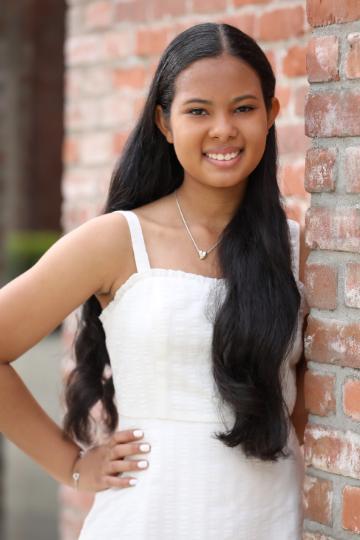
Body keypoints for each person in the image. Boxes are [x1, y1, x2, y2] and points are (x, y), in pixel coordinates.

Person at [0, 22, 310, 540]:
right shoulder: (117, 240)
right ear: (164, 123)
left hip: (267, 521)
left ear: (272, 115)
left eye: (243, 108)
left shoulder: (297, 251)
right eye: (198, 111)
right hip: (145, 522)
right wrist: (72, 466)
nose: (223, 130)